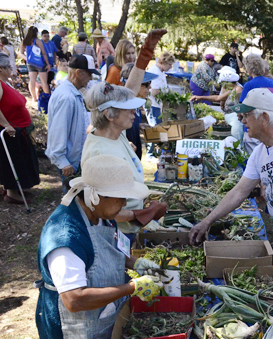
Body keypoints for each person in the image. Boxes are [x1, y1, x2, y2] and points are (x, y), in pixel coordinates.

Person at [35, 154, 163, 339]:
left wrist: (136, 263)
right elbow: (74, 299)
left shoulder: (102, 215)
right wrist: (132, 287)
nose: (123, 205)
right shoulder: (65, 236)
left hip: (102, 318)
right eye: (118, 199)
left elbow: (112, 250)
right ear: (94, 196)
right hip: (74, 331)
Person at [189, 88, 273, 310]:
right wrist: (207, 221)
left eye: (246, 115)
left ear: (264, 117)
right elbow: (239, 192)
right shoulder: (260, 151)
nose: (242, 120)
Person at [80, 82, 168, 238]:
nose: (135, 112)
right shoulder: (100, 155)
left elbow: (131, 88)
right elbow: (104, 211)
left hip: (129, 227)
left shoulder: (115, 133)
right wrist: (142, 214)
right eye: (128, 108)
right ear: (109, 115)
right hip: (117, 232)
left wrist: (142, 60)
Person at [47, 55, 99, 190]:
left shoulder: (73, 93)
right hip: (70, 164)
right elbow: (58, 131)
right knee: (72, 204)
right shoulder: (67, 97)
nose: (91, 78)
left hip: (75, 161)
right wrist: (62, 162)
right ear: (78, 73)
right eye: (89, 74)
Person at [0, 53, 39, 204]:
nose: (11, 69)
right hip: (10, 130)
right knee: (13, 160)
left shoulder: (6, 82)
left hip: (19, 129)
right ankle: (11, 193)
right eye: (8, 67)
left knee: (21, 160)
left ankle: (16, 188)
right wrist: (6, 124)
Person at [120, 64, 157, 159]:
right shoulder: (121, 106)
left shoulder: (135, 104)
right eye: (146, 84)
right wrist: (124, 143)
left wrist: (138, 125)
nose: (150, 87)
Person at [22, 26, 51, 102]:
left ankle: (34, 97)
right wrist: (47, 64)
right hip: (39, 63)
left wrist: (27, 59)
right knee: (44, 81)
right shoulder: (37, 41)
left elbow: (20, 53)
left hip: (30, 63)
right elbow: (43, 53)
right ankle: (47, 97)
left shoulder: (25, 41)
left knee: (32, 81)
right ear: (36, 33)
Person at [147, 52, 176, 125]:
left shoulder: (161, 71)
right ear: (163, 62)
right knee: (156, 127)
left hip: (158, 105)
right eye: (169, 64)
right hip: (154, 105)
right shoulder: (155, 72)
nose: (170, 67)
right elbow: (155, 92)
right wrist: (168, 96)